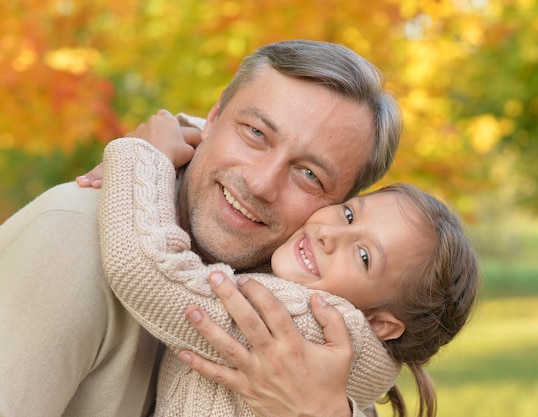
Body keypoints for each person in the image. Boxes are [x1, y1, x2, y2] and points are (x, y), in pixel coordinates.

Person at [0, 40, 401, 417]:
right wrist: (140, 162)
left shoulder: (312, 312)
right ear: (212, 119)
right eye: (255, 133)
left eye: (310, 175)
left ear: (337, 206)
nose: (261, 184)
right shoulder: (70, 238)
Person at [98, 125, 478, 417]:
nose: (330, 235)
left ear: (382, 324)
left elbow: (144, 271)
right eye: (349, 215)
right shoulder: (361, 360)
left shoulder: (295, 323)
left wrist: (144, 153)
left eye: (363, 256)